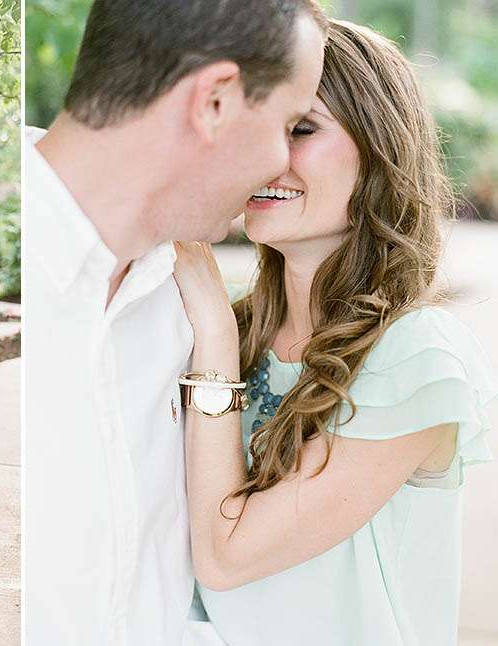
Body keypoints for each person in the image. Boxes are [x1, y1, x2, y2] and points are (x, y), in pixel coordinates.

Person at [174, 20, 497, 646]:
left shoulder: (416, 356)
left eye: (301, 129)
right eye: (251, 129)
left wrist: (212, 334)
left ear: (377, 148)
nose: (264, 156)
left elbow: (226, 556)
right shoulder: (238, 334)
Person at [23, 0, 327, 643]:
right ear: (214, 100)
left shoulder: (185, 304)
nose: (282, 164)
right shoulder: (23, 285)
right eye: (290, 123)